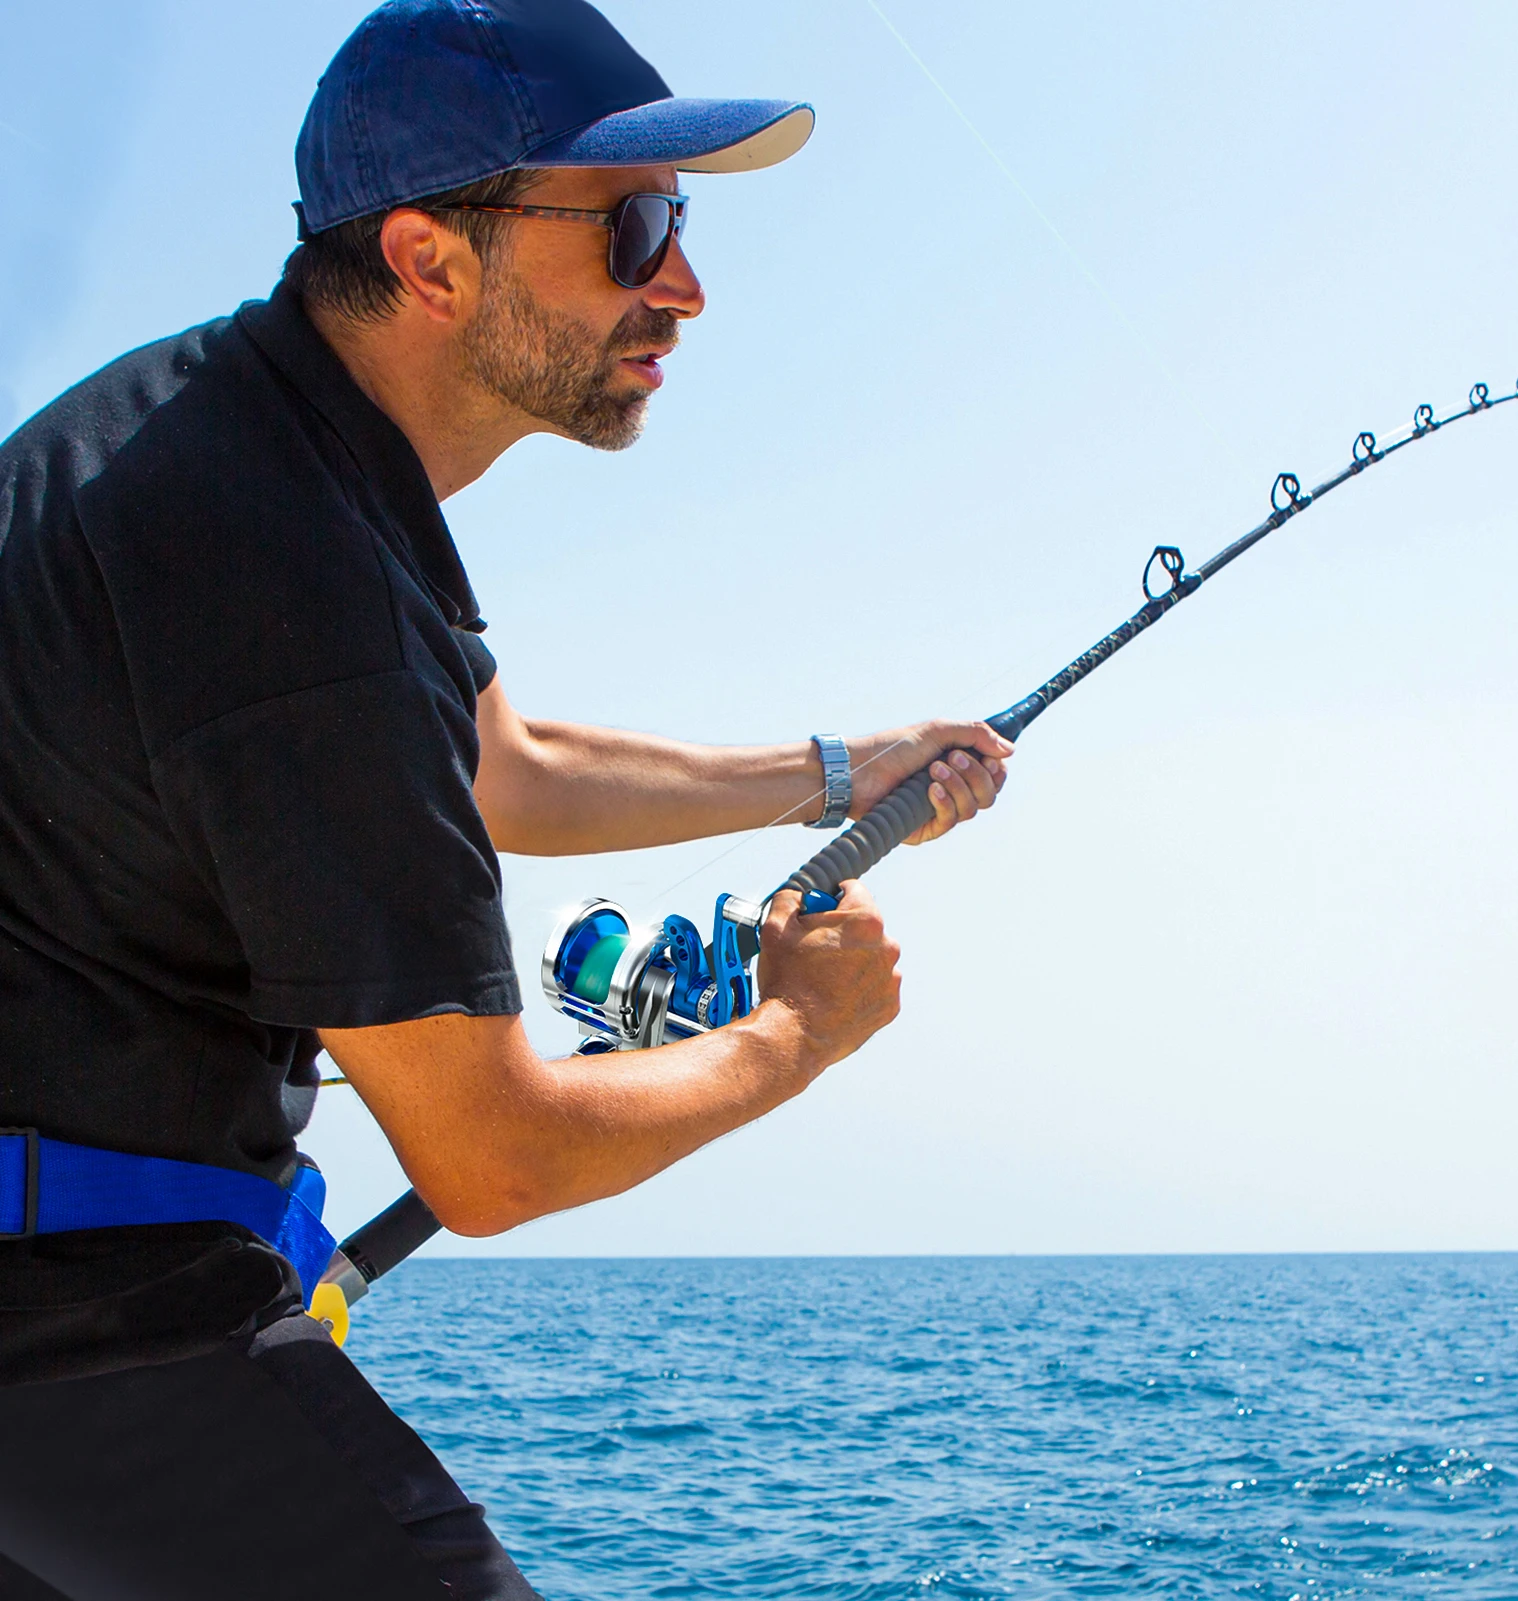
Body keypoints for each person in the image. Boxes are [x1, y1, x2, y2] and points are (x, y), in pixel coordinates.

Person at [0, 2, 1011, 1595]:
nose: (683, 283)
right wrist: (799, 1033)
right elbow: (494, 1157)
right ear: (430, 260)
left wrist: (836, 773)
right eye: (634, 227)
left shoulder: (233, 433)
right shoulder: (294, 578)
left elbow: (503, 769)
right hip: (88, 1343)